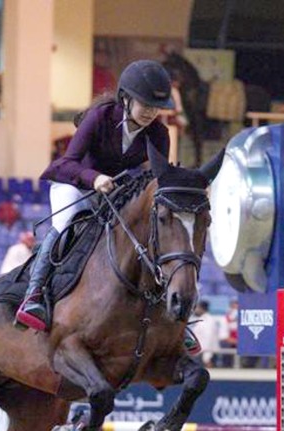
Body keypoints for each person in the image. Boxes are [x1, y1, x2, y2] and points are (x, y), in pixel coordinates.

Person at [15, 59, 175, 332]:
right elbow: (67, 162)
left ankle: (171, 317)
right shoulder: (100, 116)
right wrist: (95, 178)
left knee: (151, 234)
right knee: (65, 224)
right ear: (126, 98)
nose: (151, 112)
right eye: (145, 104)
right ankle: (34, 295)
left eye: (156, 107)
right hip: (75, 185)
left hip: (114, 193)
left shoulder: (159, 133)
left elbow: (158, 176)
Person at [190, 300, 224, 367]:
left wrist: (207, 358)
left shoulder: (208, 321)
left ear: (202, 309)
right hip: (199, 353)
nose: (194, 310)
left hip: (206, 355)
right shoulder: (201, 320)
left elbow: (209, 340)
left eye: (196, 308)